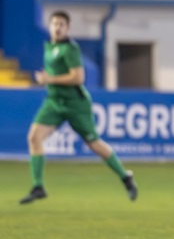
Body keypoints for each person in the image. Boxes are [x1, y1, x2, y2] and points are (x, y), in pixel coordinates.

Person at [19, 10, 137, 204]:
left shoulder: (70, 49)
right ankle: (38, 186)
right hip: (54, 102)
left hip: (76, 104)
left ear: (68, 28)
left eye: (61, 25)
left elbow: (78, 77)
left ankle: (125, 176)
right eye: (54, 24)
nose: (57, 28)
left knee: (94, 144)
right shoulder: (49, 45)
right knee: (34, 137)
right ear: (49, 26)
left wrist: (49, 79)